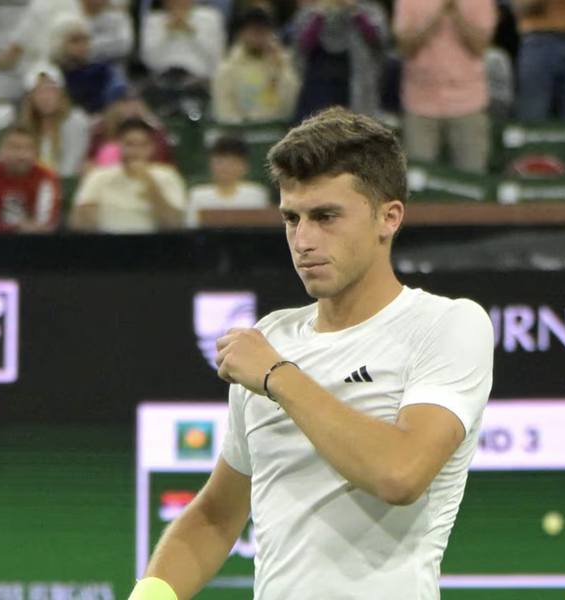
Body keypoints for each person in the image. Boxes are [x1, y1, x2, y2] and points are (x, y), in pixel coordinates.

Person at [129, 107, 494, 600]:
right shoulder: (270, 337)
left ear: (389, 217)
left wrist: (279, 375)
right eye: (291, 219)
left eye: (325, 217)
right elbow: (217, 515)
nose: (303, 240)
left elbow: (400, 473)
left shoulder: (448, 324)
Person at [393, 0, 497, 173]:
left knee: (472, 180)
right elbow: (404, 47)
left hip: (467, 103)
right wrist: (435, 17)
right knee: (419, 182)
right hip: (420, 104)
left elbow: (480, 46)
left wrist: (456, 13)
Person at [69, 117, 187, 233]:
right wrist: (87, 205)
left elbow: (175, 224)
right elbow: (78, 225)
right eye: (130, 145)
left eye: (142, 145)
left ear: (151, 148)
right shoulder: (99, 176)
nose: (135, 152)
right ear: (119, 146)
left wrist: (150, 183)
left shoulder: (167, 176)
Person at [0, 124, 62, 233]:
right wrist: (16, 228)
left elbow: (45, 225)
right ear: (0, 151)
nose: (21, 155)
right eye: (14, 147)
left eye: (28, 148)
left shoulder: (46, 177)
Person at [186, 134, 270, 228]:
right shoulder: (198, 195)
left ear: (244, 166)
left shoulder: (256, 194)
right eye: (220, 161)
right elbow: (191, 230)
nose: (226, 167)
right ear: (211, 164)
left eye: (233, 161)